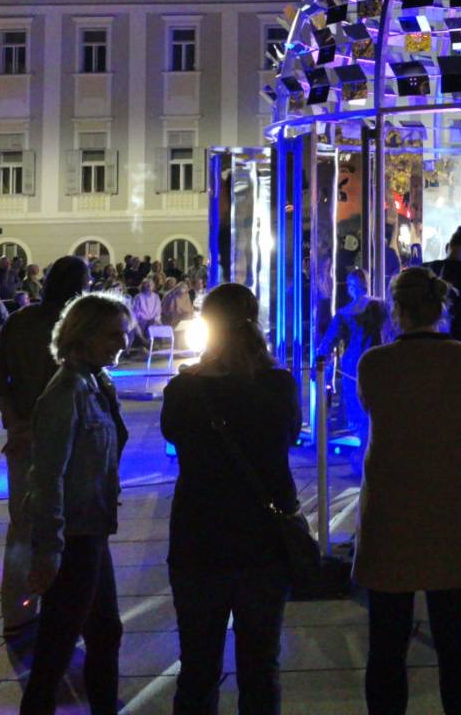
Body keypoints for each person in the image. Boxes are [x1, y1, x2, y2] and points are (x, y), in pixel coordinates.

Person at [355, 267, 461, 715]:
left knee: (386, 643)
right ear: (441, 308)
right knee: (456, 636)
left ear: (396, 311)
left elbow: (370, 409)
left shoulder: (374, 364)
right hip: (451, 508)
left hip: (389, 510)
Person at [162, 283, 302, 715]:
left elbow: (174, 437)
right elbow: (289, 437)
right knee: (260, 667)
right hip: (262, 540)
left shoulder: (184, 390)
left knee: (198, 666)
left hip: (199, 535)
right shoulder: (279, 385)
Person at [20, 292, 131, 715]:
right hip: (75, 536)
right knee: (59, 642)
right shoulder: (67, 390)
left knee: (102, 632)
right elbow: (47, 475)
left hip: (92, 529)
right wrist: (49, 547)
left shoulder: (97, 383)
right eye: (113, 335)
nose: (122, 343)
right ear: (84, 336)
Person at [0, 255, 91, 638]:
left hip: (23, 439)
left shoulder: (20, 321)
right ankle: (67, 609)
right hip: (71, 441)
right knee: (71, 524)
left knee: (23, 524)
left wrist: (15, 422)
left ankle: (17, 612)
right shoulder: (79, 325)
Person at [314, 268, 391, 438]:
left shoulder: (344, 313)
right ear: (366, 283)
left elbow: (329, 342)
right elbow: (390, 332)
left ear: (350, 287)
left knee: (357, 403)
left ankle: (363, 440)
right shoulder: (380, 306)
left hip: (352, 364)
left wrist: (319, 358)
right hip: (378, 359)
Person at [129, 277, 162, 347]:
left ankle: (153, 344)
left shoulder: (156, 297)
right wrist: (145, 318)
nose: (149, 285)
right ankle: (146, 344)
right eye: (147, 283)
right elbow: (136, 311)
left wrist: (155, 319)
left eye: (151, 283)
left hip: (153, 320)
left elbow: (158, 311)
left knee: (156, 325)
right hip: (142, 320)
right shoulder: (138, 297)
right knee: (143, 326)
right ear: (143, 285)